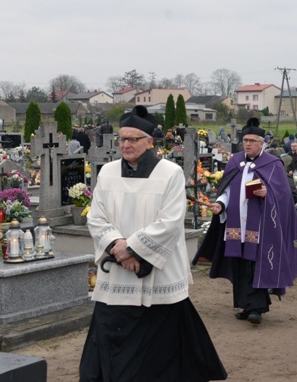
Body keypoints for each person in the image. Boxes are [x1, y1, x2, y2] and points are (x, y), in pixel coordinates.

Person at [79, 105, 226, 381]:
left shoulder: (169, 173)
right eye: (122, 138)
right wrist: (119, 247)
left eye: (133, 139)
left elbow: (170, 222)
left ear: (149, 141)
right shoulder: (108, 173)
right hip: (117, 280)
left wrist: (132, 249)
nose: (125, 144)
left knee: (158, 358)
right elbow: (96, 218)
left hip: (158, 282)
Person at [193, 118, 297, 325]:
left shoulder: (272, 165)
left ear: (262, 143)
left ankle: (256, 308)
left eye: (252, 141)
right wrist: (220, 204)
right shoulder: (235, 161)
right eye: (245, 140)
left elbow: (284, 196)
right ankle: (245, 305)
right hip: (237, 225)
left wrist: (266, 194)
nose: (247, 144)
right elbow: (226, 191)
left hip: (261, 227)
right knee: (240, 264)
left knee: (255, 264)